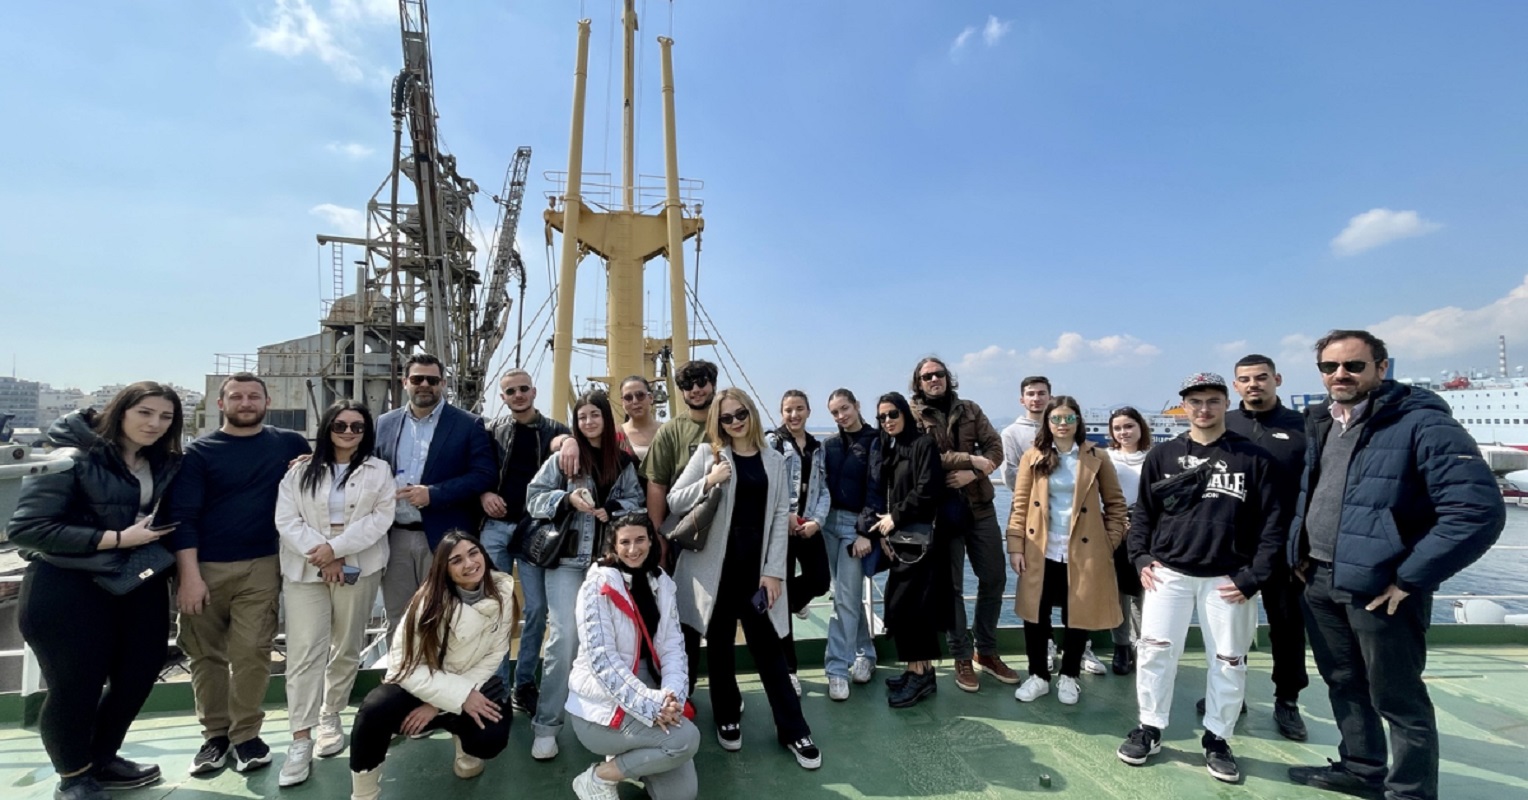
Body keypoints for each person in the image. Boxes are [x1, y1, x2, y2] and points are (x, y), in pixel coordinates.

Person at [1286, 330, 1505, 800]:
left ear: (1381, 367)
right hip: (1320, 577)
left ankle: (1410, 792)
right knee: (1343, 681)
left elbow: (1477, 512)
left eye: (1353, 365)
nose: (1340, 374)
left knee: (1398, 696)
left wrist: (1409, 577)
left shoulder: (1423, 424)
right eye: (1329, 367)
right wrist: (1300, 551)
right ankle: (1361, 769)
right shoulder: (1325, 421)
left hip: (1382, 586)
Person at [10, 383, 184, 800]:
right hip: (69, 584)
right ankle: (74, 775)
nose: (155, 424)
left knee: (139, 674)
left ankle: (103, 758)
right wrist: (118, 538)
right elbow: (27, 528)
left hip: (134, 582)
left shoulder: (160, 461)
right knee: (76, 685)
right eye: (145, 413)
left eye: (165, 417)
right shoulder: (70, 457)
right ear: (120, 411)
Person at [1116, 372, 1283, 784]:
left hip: (1228, 578)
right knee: (1154, 652)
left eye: (1211, 400)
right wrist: (1140, 558)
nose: (1203, 409)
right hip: (1168, 573)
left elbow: (1273, 524)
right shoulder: (1164, 455)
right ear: (1184, 406)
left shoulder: (1254, 458)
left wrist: (1253, 577)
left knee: (1228, 660)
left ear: (1225, 403)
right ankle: (1150, 727)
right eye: (1195, 401)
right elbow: (1144, 513)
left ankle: (1218, 738)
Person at [668, 387, 822, 769]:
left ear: (751, 413)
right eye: (726, 417)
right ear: (718, 422)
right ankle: (726, 714)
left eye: (741, 414)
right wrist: (709, 480)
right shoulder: (709, 455)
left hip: (756, 575)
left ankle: (794, 729)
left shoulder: (774, 460)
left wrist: (774, 572)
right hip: (714, 573)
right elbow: (675, 500)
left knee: (769, 650)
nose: (735, 422)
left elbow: (779, 517)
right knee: (719, 647)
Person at [166, 372, 311, 776]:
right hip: (204, 566)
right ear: (221, 404)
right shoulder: (199, 453)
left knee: (253, 653)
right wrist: (189, 576)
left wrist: (310, 463)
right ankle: (215, 736)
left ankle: (246, 735)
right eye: (236, 397)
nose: (245, 403)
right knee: (205, 655)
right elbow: (183, 516)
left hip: (262, 564)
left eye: (253, 397)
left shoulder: (289, 444)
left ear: (267, 402)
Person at [273, 400, 395, 786]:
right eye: (340, 425)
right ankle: (300, 738)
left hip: (358, 566)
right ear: (327, 427)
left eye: (357, 427)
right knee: (305, 650)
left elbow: (381, 517)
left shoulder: (379, 471)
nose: (348, 432)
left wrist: (336, 549)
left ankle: (331, 714)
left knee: (346, 645)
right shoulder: (300, 472)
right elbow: (286, 519)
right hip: (306, 568)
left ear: (366, 432)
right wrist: (323, 554)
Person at [348, 531, 514, 800]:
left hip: (470, 681)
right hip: (423, 683)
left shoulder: (502, 592)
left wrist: (443, 703)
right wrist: (453, 697)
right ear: (444, 569)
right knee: (375, 710)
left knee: (490, 737)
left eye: (474, 553)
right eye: (456, 560)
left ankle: (463, 742)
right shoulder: (426, 604)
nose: (470, 563)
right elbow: (403, 666)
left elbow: (495, 654)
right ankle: (364, 794)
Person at [523, 390, 643, 760]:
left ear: (607, 418)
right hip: (567, 562)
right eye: (582, 416)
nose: (588, 422)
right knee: (564, 640)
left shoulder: (622, 462)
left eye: (595, 415)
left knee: (613, 641)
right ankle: (547, 725)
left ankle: (608, 718)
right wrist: (565, 499)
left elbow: (636, 501)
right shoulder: (564, 459)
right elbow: (533, 497)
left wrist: (614, 507)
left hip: (608, 564)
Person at [566, 512, 700, 800]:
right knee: (685, 740)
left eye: (640, 540)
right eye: (624, 542)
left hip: (651, 690)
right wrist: (653, 707)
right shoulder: (597, 586)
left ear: (651, 541)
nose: (633, 549)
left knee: (680, 795)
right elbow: (604, 664)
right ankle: (598, 778)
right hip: (603, 705)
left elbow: (674, 649)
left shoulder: (662, 583)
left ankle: (629, 755)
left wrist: (672, 698)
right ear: (613, 546)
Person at [1007, 396, 1128, 706]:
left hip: (1085, 549)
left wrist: (1109, 542)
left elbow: (1116, 505)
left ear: (1078, 421)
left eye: (1069, 418)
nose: (1063, 424)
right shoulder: (1033, 457)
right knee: (1036, 613)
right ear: (1047, 423)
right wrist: (1015, 547)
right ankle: (1038, 676)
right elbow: (1020, 506)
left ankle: (1070, 675)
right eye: (1056, 419)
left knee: (1079, 613)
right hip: (1040, 547)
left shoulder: (1097, 456)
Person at [908, 357, 1017, 692]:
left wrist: (975, 472)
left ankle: (987, 650)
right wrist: (970, 459)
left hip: (980, 506)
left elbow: (995, 447)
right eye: (927, 376)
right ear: (919, 382)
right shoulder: (912, 415)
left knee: (994, 577)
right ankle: (961, 656)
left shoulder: (970, 409)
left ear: (948, 377)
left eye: (939, 373)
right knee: (951, 587)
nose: (934, 379)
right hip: (942, 512)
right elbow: (921, 456)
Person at [375, 354, 497, 640]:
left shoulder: (468, 424)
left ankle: (443, 671)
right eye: (417, 379)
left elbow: (484, 475)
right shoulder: (384, 423)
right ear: (405, 382)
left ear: (443, 383)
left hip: (445, 538)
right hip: (395, 536)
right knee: (399, 620)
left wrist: (434, 494)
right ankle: (403, 669)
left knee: (447, 617)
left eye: (432, 380)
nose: (425, 385)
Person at [1225, 354, 1310, 740]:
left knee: (1287, 627)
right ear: (1236, 385)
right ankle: (1230, 691)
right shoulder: (1225, 424)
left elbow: (1317, 488)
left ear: (1277, 379)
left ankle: (1287, 699)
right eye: (1245, 379)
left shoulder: (1303, 427)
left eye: (1261, 377)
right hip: (1232, 545)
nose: (1253, 385)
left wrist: (1307, 546)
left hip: (1285, 547)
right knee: (1228, 625)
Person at [479, 368, 571, 717]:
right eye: (511, 391)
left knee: (536, 609)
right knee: (496, 608)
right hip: (496, 529)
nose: (518, 395)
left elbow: (565, 452)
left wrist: (568, 442)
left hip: (535, 531)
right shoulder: (491, 431)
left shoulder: (556, 431)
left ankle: (525, 683)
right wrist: (484, 494)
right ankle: (498, 686)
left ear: (534, 392)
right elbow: (478, 469)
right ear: (502, 397)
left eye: (523, 389)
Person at [865, 392, 948, 708]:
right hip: (900, 539)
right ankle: (920, 671)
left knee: (912, 608)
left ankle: (919, 675)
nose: (887, 421)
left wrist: (895, 518)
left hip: (918, 541)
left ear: (905, 414)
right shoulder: (893, 448)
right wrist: (886, 530)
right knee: (904, 606)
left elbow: (928, 489)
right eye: (882, 417)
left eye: (893, 414)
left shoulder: (922, 445)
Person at [764, 390, 830, 697]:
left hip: (808, 526)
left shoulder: (817, 447)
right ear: (781, 412)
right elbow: (768, 484)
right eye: (788, 410)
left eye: (799, 409)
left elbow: (823, 487)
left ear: (808, 411)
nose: (794, 415)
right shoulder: (773, 442)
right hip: (781, 529)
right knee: (781, 603)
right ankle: (789, 670)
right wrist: (787, 515)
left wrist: (817, 520)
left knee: (820, 580)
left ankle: (795, 601)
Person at [819, 389, 880, 700]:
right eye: (835, 412)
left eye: (845, 408)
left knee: (844, 597)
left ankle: (837, 669)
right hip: (827, 524)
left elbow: (877, 487)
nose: (841, 416)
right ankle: (865, 654)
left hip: (854, 527)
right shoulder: (830, 444)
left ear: (857, 405)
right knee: (847, 597)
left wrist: (865, 532)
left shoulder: (875, 441)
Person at [1104, 406, 1153, 675]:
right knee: (1119, 592)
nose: (1124, 432)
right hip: (1115, 528)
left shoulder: (1154, 457)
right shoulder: (1107, 458)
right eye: (1118, 428)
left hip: (1148, 530)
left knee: (1144, 589)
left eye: (1129, 426)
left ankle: (1143, 644)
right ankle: (1121, 646)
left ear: (1140, 427)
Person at [641, 360, 717, 531]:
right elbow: (657, 485)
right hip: (687, 528)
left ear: (713, 385)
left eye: (702, 382)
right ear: (682, 391)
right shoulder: (669, 432)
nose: (695, 389)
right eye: (688, 385)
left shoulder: (731, 423)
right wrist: (659, 534)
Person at [1000, 376, 1051, 491]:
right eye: (1030, 394)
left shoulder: (1060, 430)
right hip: (1026, 498)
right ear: (1022, 400)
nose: (1036, 398)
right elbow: (1009, 476)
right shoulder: (1010, 433)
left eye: (1041, 393)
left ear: (1050, 398)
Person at [618, 375, 662, 461]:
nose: (635, 401)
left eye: (640, 395)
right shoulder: (616, 435)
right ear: (623, 402)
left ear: (651, 398)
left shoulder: (669, 431)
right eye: (628, 397)